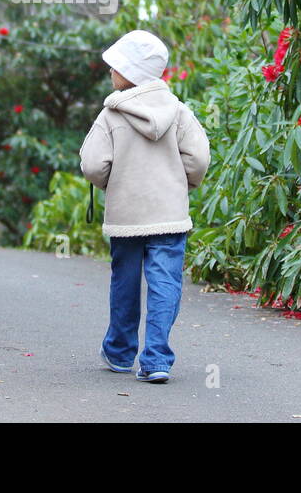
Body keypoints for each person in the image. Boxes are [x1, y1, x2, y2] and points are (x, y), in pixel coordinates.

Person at [79, 30, 210, 383]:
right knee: (165, 282)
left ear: (131, 73)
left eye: (116, 66)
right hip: (169, 215)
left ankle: (120, 352)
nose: (110, 72)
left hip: (126, 217)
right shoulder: (179, 112)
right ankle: (156, 359)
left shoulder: (111, 115)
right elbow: (198, 158)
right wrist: (183, 182)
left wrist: (114, 182)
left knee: (124, 281)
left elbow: (92, 165)